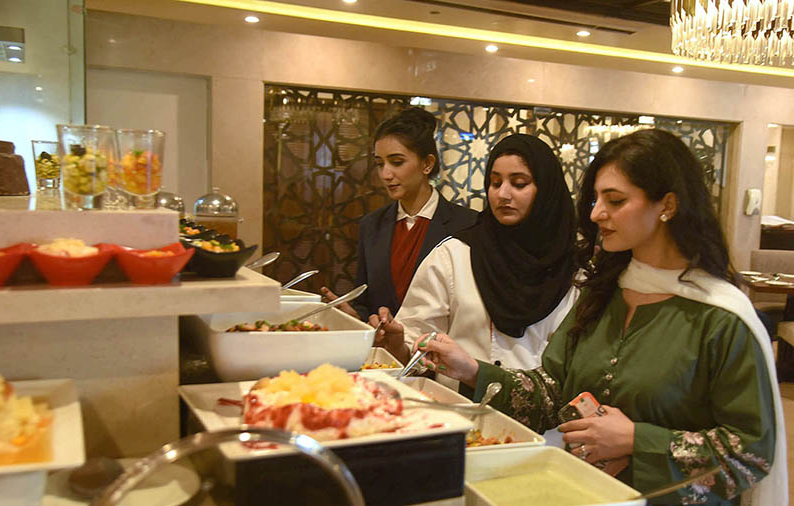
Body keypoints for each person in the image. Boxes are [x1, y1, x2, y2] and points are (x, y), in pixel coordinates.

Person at [417, 129, 786, 505]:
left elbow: (750, 453)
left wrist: (637, 442)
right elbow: (554, 390)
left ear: (667, 205)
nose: (596, 214)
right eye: (595, 199)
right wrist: (473, 371)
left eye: (615, 200)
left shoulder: (720, 318)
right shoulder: (603, 293)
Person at [372, 134, 578, 393]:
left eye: (519, 183)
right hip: (461, 417)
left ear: (546, 190)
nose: (503, 194)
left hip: (545, 430)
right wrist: (397, 345)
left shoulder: (574, 271)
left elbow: (577, 367)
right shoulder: (455, 255)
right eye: (494, 183)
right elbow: (416, 345)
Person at [321, 107, 477, 321]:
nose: (385, 174)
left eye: (396, 162)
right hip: (382, 352)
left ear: (427, 164)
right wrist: (356, 316)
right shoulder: (372, 225)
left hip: (441, 349)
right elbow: (365, 301)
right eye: (379, 164)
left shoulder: (468, 225)